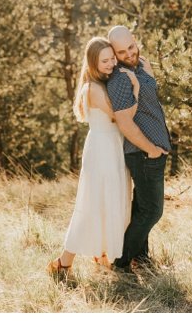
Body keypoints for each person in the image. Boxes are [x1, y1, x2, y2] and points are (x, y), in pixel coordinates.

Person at [48, 37, 133, 278]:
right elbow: (119, 116)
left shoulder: (105, 82)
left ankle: (103, 253)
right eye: (104, 61)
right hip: (102, 150)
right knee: (92, 204)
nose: (110, 64)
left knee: (110, 201)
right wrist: (135, 88)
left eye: (112, 59)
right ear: (93, 63)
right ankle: (63, 262)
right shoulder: (93, 88)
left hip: (113, 147)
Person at [105, 25, 171, 273]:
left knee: (141, 208)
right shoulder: (120, 78)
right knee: (153, 211)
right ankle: (121, 264)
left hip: (155, 148)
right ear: (114, 52)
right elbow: (124, 122)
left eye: (131, 47)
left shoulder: (142, 63)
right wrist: (151, 149)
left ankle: (140, 259)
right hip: (143, 153)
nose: (129, 54)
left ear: (135, 41)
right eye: (121, 52)